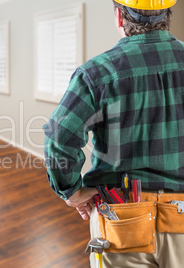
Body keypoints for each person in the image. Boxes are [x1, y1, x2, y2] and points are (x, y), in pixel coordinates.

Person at [43, 0, 184, 267]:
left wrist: (71, 192)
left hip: (121, 218)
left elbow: (58, 139)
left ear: (119, 17)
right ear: (168, 14)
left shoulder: (97, 73)